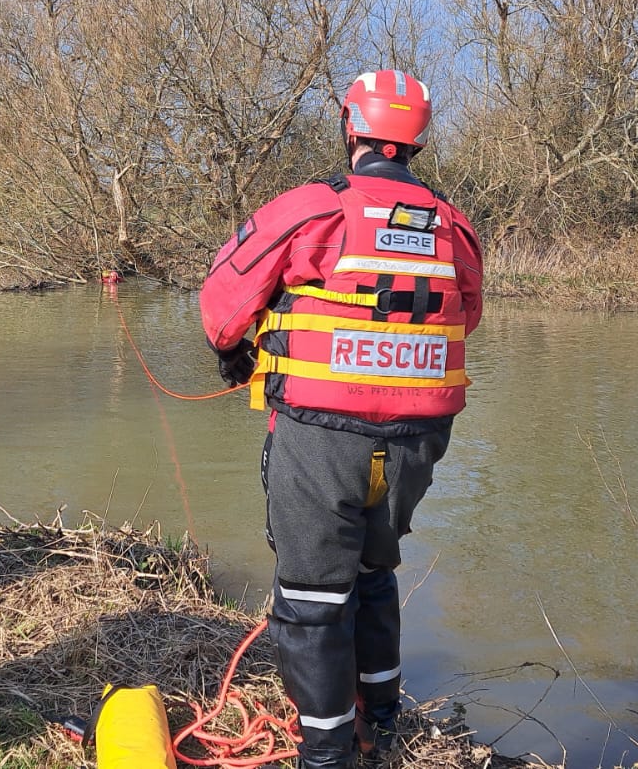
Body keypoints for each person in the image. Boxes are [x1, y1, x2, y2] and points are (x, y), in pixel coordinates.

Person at [198, 71, 484, 768]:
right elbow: (463, 317)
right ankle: (379, 721)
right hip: (417, 443)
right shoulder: (454, 225)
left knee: (310, 597)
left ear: (350, 127)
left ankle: (325, 754)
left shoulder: (311, 208)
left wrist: (238, 351)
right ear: (415, 138)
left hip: (321, 436)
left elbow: (219, 305)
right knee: (373, 570)